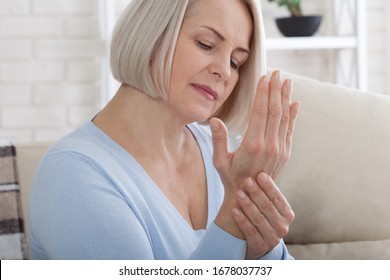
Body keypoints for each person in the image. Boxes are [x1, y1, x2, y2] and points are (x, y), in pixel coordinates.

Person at [28, 0, 300, 260]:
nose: (224, 72)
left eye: (235, 62)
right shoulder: (71, 173)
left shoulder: (226, 156)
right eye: (206, 44)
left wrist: (263, 252)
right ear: (153, 33)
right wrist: (235, 213)